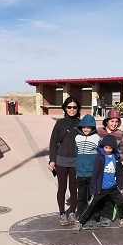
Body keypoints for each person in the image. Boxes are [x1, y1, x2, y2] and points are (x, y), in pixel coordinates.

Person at [73, 134, 123, 232]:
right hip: (101, 188)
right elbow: (95, 173)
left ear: (113, 148)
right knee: (91, 206)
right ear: (102, 147)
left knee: (121, 202)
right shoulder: (100, 157)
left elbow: (120, 172)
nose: (107, 150)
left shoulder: (116, 158)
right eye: (106, 147)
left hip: (113, 187)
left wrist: (121, 186)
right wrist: (94, 188)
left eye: (110, 148)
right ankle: (80, 222)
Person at [48, 97, 81, 226]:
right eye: (69, 107)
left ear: (77, 109)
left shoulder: (81, 123)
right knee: (62, 188)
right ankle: (62, 213)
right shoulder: (59, 123)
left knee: (74, 188)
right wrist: (52, 161)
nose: (72, 109)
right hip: (61, 160)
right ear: (65, 108)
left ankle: (72, 212)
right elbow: (53, 142)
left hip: (75, 161)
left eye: (74, 107)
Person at [95, 108, 123, 226]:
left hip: (112, 168)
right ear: (106, 121)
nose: (114, 124)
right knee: (99, 191)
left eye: (116, 121)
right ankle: (96, 214)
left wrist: (115, 159)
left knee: (109, 192)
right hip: (99, 168)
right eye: (112, 121)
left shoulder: (120, 134)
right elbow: (94, 147)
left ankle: (107, 216)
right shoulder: (98, 131)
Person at [74, 114, 101, 222]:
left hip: (91, 172)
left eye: (88, 127)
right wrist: (81, 163)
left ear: (93, 127)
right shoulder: (77, 138)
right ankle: (81, 214)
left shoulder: (97, 138)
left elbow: (99, 154)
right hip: (80, 172)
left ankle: (94, 216)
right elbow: (77, 152)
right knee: (81, 196)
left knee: (92, 195)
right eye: (83, 127)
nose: (85, 129)